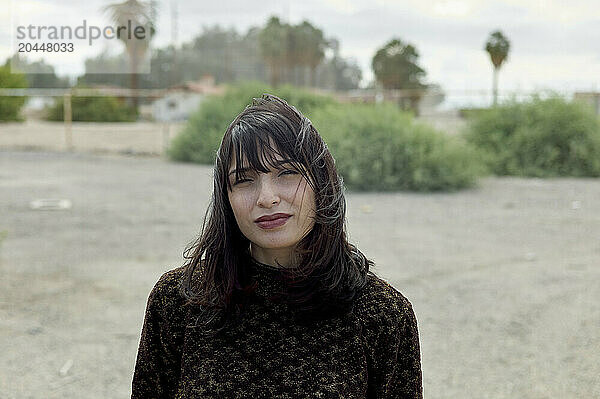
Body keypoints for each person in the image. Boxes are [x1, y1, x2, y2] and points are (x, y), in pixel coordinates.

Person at [131, 94, 422, 398]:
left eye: (287, 173)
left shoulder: (383, 315)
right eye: (243, 180)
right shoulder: (178, 301)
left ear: (321, 183)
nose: (266, 197)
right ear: (226, 199)